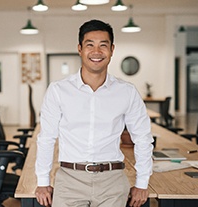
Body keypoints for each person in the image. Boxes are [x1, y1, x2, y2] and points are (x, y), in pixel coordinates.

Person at [35, 19, 153, 207]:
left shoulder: (127, 92)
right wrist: (42, 181)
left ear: (112, 50)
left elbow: (143, 138)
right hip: (69, 180)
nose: (97, 52)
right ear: (80, 48)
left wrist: (142, 182)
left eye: (103, 45)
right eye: (90, 45)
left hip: (112, 181)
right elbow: (47, 138)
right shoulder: (58, 90)